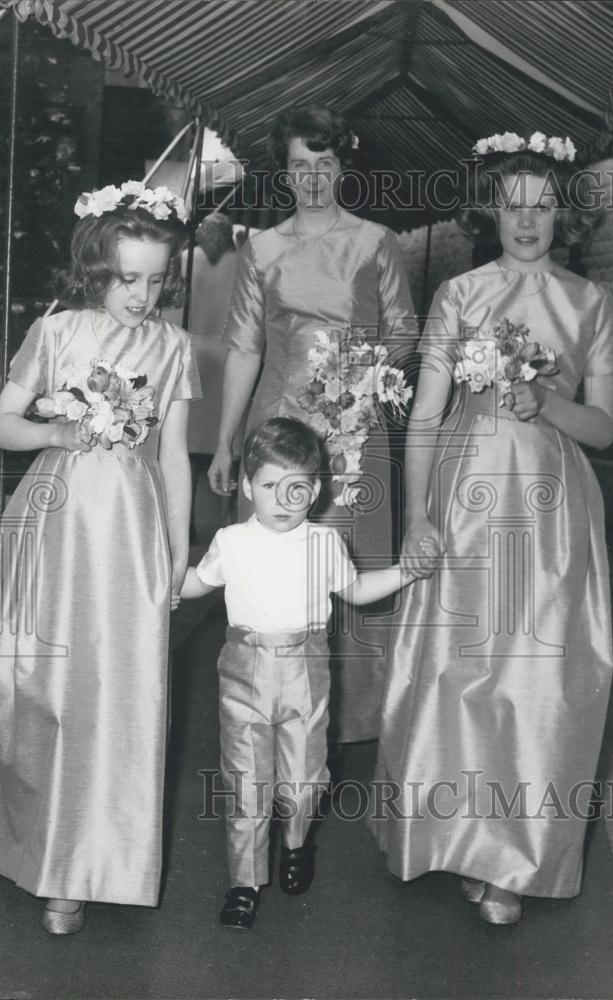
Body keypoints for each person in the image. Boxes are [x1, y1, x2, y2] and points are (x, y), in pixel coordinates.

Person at [371, 133, 613, 925]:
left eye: (542, 205)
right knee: (457, 670)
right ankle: (452, 834)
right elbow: (422, 414)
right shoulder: (458, 295)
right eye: (512, 205)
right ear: (491, 209)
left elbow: (604, 430)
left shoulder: (589, 304)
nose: (526, 221)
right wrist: (415, 516)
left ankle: (513, 861)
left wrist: (543, 402)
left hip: (551, 510)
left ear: (562, 215)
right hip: (467, 496)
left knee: (535, 680)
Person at [0, 181, 200, 935]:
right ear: (97, 270)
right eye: (127, 278)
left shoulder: (172, 347)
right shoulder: (59, 330)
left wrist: (174, 553)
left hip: (128, 533)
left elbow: (172, 460)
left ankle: (100, 858)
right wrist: (60, 433)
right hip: (55, 522)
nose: (142, 295)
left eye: (157, 279)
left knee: (119, 693)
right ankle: (40, 849)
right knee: (44, 686)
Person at [207, 105, 417, 745]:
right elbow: (245, 347)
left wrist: (367, 380)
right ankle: (271, 709)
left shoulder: (377, 242)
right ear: (285, 172)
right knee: (281, 573)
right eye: (301, 166)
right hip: (279, 429)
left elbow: (405, 334)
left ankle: (351, 719)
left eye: (325, 164)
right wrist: (225, 440)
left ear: (343, 167)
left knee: (351, 571)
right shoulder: (261, 249)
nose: (314, 178)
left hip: (357, 431)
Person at [183, 417, 435, 929]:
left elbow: (358, 591)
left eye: (295, 487)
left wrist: (407, 571)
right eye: (269, 485)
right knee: (246, 781)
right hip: (243, 671)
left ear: (315, 490)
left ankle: (296, 843)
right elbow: (192, 584)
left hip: (305, 670)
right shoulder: (231, 541)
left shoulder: (324, 544)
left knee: (303, 778)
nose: (281, 499)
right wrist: (152, 572)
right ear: (248, 487)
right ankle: (244, 883)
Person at [166, 212, 241, 539]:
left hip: (191, 354)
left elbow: (171, 310)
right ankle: (226, 517)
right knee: (224, 443)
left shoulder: (185, 259)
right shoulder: (240, 263)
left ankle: (188, 520)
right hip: (228, 360)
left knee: (189, 444)